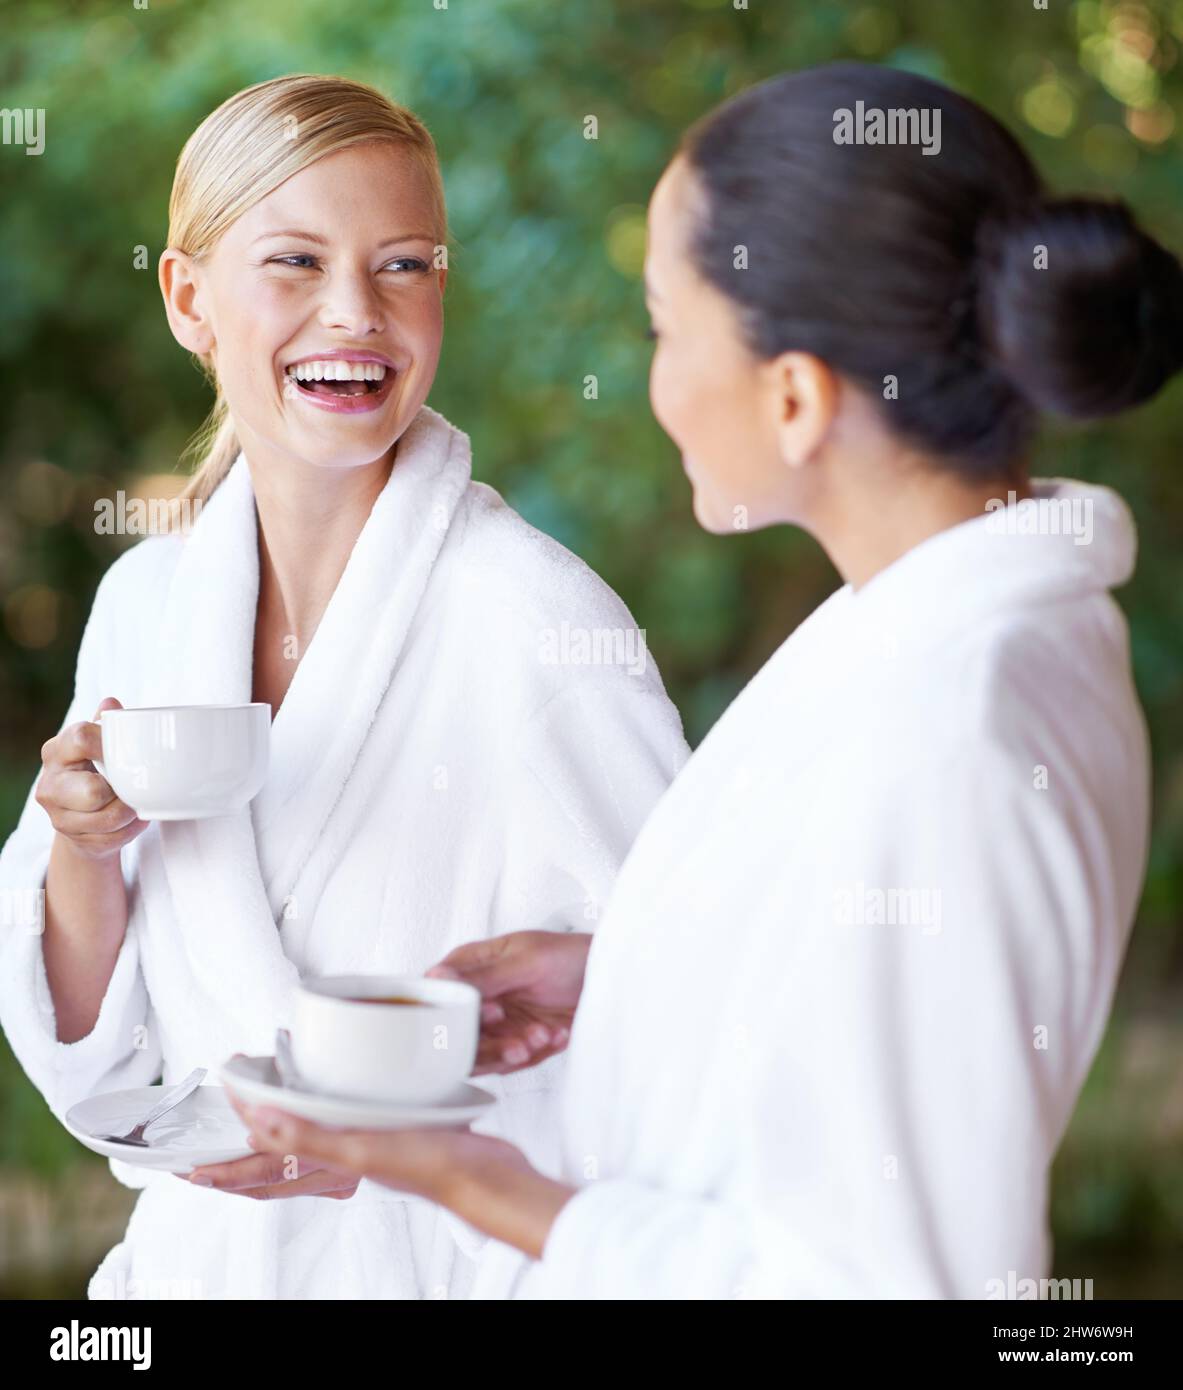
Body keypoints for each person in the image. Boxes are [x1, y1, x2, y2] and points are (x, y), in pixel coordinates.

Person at [236, 63, 1182, 1297]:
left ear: (793, 396)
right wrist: (637, 965)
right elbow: (855, 994)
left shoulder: (956, 724)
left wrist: (463, 1175)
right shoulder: (918, 634)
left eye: (663, 329)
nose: (655, 383)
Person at [0, 73, 688, 1300]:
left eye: (406, 264)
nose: (355, 314)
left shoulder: (534, 615)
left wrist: (411, 1143)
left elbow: (704, 991)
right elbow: (99, 1059)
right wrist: (82, 849)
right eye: (295, 262)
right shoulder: (148, 606)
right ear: (186, 296)